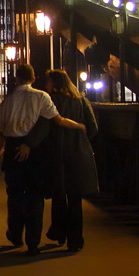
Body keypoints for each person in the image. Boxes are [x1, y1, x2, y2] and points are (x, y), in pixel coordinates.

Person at [0, 64, 86, 255]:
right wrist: (78, 126)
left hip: (12, 149)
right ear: (34, 79)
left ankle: (15, 234)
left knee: (15, 196)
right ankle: (33, 243)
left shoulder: (7, 101)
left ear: (16, 79)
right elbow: (58, 120)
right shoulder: (41, 97)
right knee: (35, 197)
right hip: (35, 152)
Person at [43, 69, 99, 252]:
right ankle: (76, 239)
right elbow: (93, 127)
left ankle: (59, 232)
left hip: (57, 151)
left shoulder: (50, 101)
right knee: (75, 198)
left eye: (49, 81)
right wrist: (83, 140)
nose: (47, 84)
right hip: (78, 152)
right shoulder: (81, 101)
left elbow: (45, 126)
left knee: (59, 194)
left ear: (55, 83)